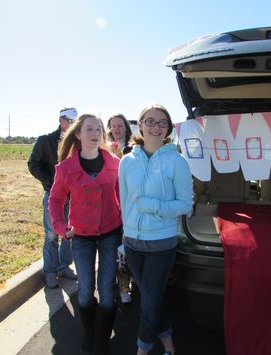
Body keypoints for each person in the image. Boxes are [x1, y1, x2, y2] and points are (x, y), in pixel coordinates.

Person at [118, 104, 193, 355]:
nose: (156, 127)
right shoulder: (127, 161)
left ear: (169, 128)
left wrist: (153, 206)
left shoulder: (177, 161)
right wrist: (123, 237)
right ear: (139, 125)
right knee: (152, 300)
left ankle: (142, 350)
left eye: (162, 123)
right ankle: (170, 347)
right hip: (132, 244)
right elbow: (125, 201)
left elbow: (185, 204)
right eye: (150, 121)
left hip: (161, 243)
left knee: (148, 302)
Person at [49, 113, 122, 355]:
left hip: (111, 232)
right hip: (80, 235)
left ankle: (102, 337)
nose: (94, 133)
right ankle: (89, 332)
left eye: (98, 129)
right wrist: (61, 228)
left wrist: (128, 229)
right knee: (85, 289)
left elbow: (123, 197)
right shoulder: (66, 168)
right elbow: (56, 200)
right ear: (78, 134)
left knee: (108, 291)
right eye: (88, 129)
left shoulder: (115, 163)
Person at [28, 107, 78, 289]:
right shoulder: (45, 141)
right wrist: (51, 183)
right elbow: (33, 164)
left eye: (75, 121)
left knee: (69, 234)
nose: (73, 124)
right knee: (51, 236)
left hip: (73, 197)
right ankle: (50, 272)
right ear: (61, 120)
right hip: (53, 196)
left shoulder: (77, 142)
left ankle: (64, 267)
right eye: (70, 120)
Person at [106, 113, 135, 304]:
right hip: (111, 203)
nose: (116, 129)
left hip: (131, 204)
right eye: (112, 126)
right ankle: (123, 286)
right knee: (117, 250)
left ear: (126, 127)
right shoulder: (104, 148)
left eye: (119, 125)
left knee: (130, 246)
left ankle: (134, 280)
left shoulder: (134, 148)